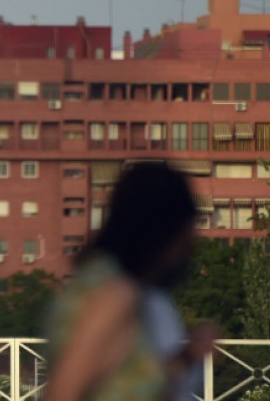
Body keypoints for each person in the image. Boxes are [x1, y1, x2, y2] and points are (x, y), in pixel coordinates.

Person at [43, 162, 216, 401]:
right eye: (187, 231)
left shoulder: (107, 282)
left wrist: (186, 358)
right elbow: (62, 393)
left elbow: (122, 383)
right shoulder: (116, 294)